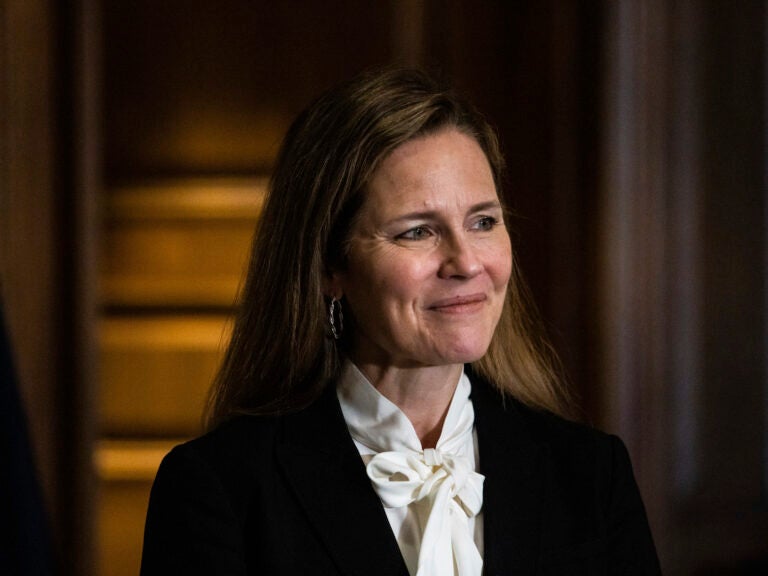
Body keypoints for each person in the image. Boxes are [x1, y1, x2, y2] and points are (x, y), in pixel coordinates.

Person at [140, 68, 661, 576]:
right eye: (417, 232)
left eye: (482, 222)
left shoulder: (591, 475)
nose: (466, 262)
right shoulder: (220, 487)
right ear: (329, 266)